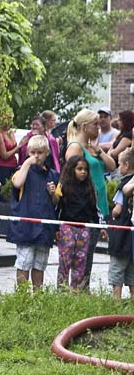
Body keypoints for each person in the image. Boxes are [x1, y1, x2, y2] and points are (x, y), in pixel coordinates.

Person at [64, 109, 116, 290]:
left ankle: (83, 288)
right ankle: (78, 289)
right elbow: (70, 178)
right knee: (82, 253)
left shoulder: (92, 147)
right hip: (85, 207)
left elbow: (112, 165)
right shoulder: (75, 147)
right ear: (85, 127)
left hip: (99, 205)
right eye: (95, 123)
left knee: (90, 251)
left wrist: (99, 150)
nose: (99, 126)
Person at [6, 135, 59, 291]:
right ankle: (21, 296)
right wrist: (27, 163)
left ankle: (38, 294)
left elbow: (56, 201)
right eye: (33, 152)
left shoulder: (53, 175)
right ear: (28, 152)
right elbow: (17, 183)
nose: (36, 156)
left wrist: (53, 193)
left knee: (39, 265)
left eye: (40, 152)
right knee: (24, 263)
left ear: (47, 153)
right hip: (26, 228)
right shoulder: (21, 171)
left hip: (44, 228)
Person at [54, 155, 98, 291]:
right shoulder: (64, 186)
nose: (83, 172)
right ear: (72, 169)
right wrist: (56, 228)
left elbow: (93, 209)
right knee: (65, 261)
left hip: (84, 228)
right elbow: (58, 208)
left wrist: (98, 225)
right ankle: (62, 290)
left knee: (80, 262)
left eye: (85, 169)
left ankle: (76, 291)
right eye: (79, 169)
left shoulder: (89, 188)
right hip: (67, 227)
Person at [108, 149, 134, 299]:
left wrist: (111, 214)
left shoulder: (123, 184)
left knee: (117, 269)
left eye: (119, 165)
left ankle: (116, 301)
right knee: (132, 270)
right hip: (131, 236)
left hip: (121, 233)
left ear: (126, 164)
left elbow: (117, 210)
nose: (118, 169)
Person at [0, 110, 20, 204]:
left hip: (13, 166)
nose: (9, 121)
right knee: (1, 195)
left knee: (11, 193)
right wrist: (18, 147)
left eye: (11, 118)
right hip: (3, 167)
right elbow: (4, 155)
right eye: (7, 118)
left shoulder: (11, 132)